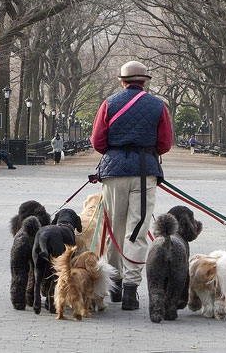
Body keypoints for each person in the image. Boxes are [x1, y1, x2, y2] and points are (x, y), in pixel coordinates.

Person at [91, 60, 173, 310]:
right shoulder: (159, 106)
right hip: (144, 170)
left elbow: (97, 141)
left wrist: (116, 152)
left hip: (113, 171)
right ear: (145, 81)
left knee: (113, 231)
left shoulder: (109, 103)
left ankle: (113, 286)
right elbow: (165, 144)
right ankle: (130, 291)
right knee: (137, 231)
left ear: (122, 81)